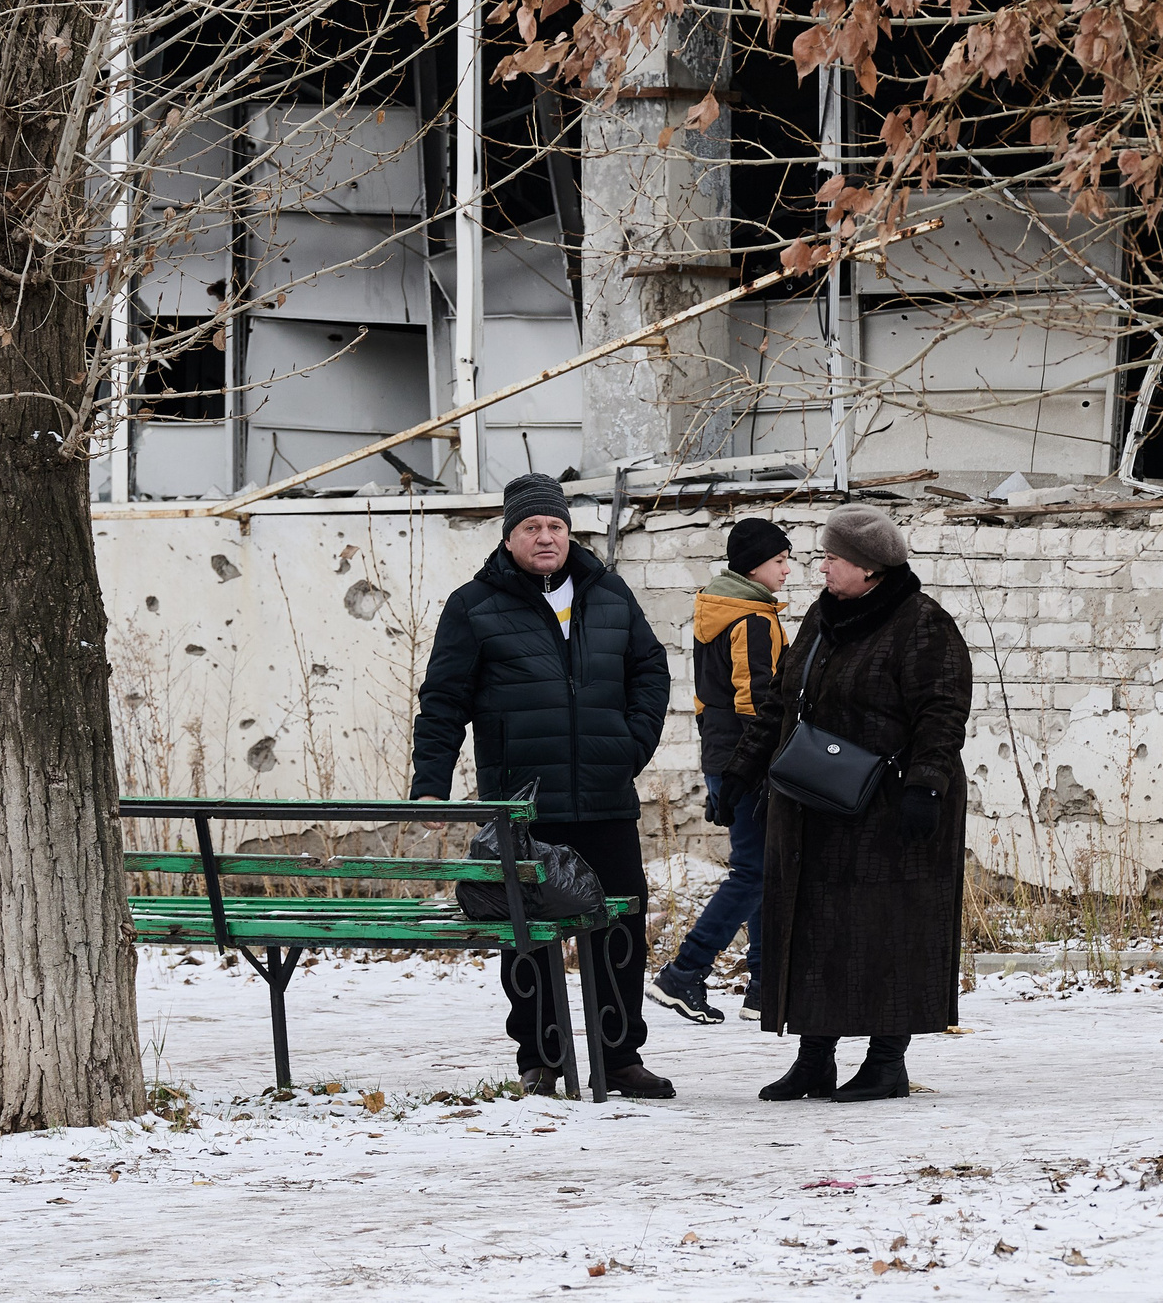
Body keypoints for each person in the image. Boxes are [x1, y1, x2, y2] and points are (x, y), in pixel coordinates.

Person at [411, 472, 677, 1097]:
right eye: (531, 527)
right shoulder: (473, 605)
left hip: (606, 799)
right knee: (526, 932)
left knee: (619, 927)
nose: (546, 537)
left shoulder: (609, 593)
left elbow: (650, 670)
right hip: (522, 806)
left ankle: (619, 1057)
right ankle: (541, 1057)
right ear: (509, 537)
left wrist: (630, 747)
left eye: (555, 525)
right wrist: (430, 784)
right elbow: (443, 700)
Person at [724, 503, 972, 1102]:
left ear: (868, 567)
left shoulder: (921, 623)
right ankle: (815, 1059)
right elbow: (783, 699)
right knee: (814, 925)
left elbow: (942, 711)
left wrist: (926, 786)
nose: (821, 568)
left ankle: (887, 1062)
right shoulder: (822, 616)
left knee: (889, 927)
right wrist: (742, 769)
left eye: (832, 558)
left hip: (892, 805)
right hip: (814, 798)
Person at [647, 517, 793, 1025]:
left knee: (763, 869)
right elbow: (757, 702)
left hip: (724, 756)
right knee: (755, 872)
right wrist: (753, 768)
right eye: (780, 561)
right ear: (754, 566)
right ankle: (683, 973)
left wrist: (721, 767)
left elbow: (706, 699)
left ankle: (762, 988)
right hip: (749, 762)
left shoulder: (714, 610)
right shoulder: (752, 619)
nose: (787, 570)